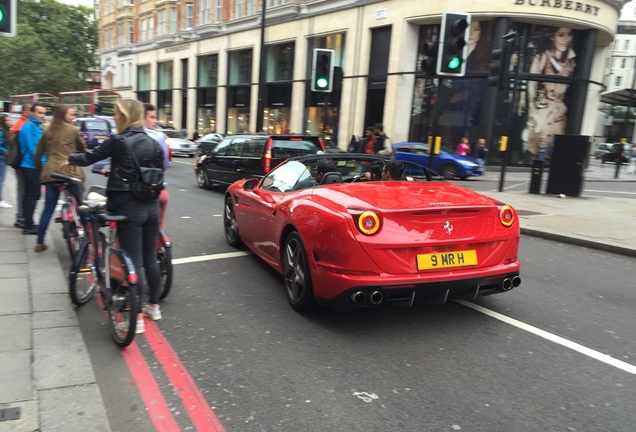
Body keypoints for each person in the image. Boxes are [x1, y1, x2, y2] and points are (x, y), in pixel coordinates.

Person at [61, 99, 164, 335]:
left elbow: (90, 157)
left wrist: (71, 159)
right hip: (151, 205)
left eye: (117, 113)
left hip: (128, 207)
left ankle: (136, 319)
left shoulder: (119, 140)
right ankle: (154, 307)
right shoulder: (153, 141)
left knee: (134, 261)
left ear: (125, 116)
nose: (114, 116)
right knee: (150, 259)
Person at [33, 105, 87, 252]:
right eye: (71, 115)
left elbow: (37, 155)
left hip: (51, 173)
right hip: (70, 171)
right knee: (80, 205)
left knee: (48, 209)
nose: (73, 117)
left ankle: (39, 243)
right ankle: (88, 236)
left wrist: (41, 170)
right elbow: (83, 151)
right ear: (63, 115)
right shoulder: (73, 130)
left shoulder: (47, 130)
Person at [522, 26, 576, 159]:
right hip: (543, 111)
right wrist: (532, 109)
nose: (565, 39)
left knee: (551, 149)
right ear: (553, 37)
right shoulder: (542, 57)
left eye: (569, 34)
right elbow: (531, 82)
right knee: (536, 147)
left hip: (559, 113)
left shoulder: (571, 62)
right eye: (561, 35)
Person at [19, 104, 47, 235]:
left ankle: (28, 223)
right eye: (40, 112)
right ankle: (28, 225)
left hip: (32, 165)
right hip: (31, 166)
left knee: (31, 196)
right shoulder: (29, 126)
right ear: (32, 113)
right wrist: (42, 165)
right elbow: (33, 149)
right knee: (32, 196)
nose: (43, 115)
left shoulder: (37, 126)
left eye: (44, 113)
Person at [144, 103, 170, 228]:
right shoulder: (159, 136)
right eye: (152, 117)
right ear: (143, 118)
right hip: (159, 190)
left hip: (139, 192)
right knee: (159, 224)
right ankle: (160, 245)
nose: (156, 121)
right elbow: (165, 163)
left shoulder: (125, 134)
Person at [11, 103, 32, 227]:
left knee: (24, 190)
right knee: (23, 190)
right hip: (22, 162)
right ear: (24, 112)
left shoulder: (24, 123)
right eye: (30, 110)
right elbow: (23, 147)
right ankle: (20, 218)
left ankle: (22, 217)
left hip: (23, 161)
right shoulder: (22, 124)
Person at [0, 114, 13, 208]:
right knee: (1, 180)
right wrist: (7, 152)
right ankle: (0, 200)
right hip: (1, 159)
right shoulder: (1, 132)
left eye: (9, 120)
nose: (9, 122)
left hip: (3, 158)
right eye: (6, 120)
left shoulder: (6, 131)